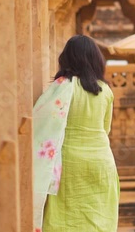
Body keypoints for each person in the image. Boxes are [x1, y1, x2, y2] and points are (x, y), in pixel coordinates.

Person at [32, 35, 120, 232]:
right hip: (101, 161)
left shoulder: (64, 85)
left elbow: (41, 118)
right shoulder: (105, 90)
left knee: (66, 217)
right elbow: (106, 129)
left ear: (68, 57)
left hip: (70, 162)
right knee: (98, 216)